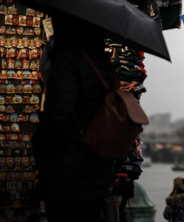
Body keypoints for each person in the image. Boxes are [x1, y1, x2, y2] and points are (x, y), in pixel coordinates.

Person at [32, 13, 115, 222]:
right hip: (98, 169)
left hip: (67, 173)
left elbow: (58, 115)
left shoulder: (68, 60)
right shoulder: (104, 64)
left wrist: (39, 142)